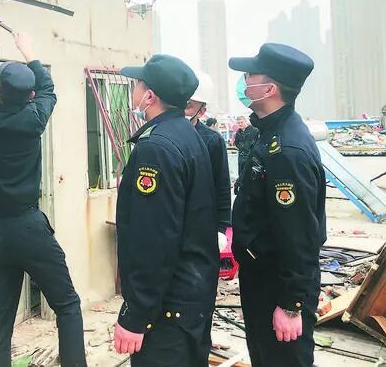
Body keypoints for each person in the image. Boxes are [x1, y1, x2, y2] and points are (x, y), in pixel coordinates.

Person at [0, 15, 86, 367]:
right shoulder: (33, 119)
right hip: (28, 227)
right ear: (29, 97)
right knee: (67, 304)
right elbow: (49, 89)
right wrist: (28, 50)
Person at [112, 55, 219, 366]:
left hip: (168, 309)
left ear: (149, 96)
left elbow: (153, 240)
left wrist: (136, 315)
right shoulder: (186, 134)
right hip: (191, 298)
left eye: (138, 84)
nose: (134, 90)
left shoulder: (156, 148)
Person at [229, 43, 327, 367]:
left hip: (278, 285)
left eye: (249, 75)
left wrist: (291, 304)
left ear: (269, 89)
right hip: (262, 278)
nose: (244, 82)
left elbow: (300, 235)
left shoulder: (287, 150)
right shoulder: (268, 133)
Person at [184, 72, 231, 250]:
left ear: (202, 111)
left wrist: (222, 227)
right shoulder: (160, 135)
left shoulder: (212, 140)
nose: (182, 109)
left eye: (188, 105)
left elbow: (222, 185)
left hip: (200, 222)